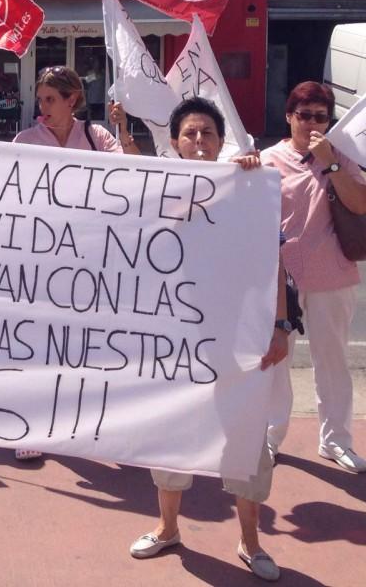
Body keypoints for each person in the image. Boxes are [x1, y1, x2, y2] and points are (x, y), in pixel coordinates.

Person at [119, 97, 289, 582]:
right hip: (177, 344)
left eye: (207, 133)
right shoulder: (159, 191)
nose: (198, 141)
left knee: (245, 441)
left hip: (241, 344)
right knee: (172, 436)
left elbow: (273, 264)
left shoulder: (249, 189)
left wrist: (280, 326)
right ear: (175, 142)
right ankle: (168, 528)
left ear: (220, 141)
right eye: (190, 134)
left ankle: (250, 541)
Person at [11, 66, 122, 461]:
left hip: (91, 257)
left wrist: (125, 130)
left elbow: (134, 177)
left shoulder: (98, 137)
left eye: (50, 99)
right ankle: (33, 428)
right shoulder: (25, 140)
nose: (42, 107)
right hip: (41, 257)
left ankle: (84, 422)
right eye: (40, 99)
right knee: (39, 343)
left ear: (71, 99)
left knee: (85, 346)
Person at [262, 81, 366, 474]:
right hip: (280, 279)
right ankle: (270, 436)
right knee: (276, 361)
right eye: (304, 115)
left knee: (332, 361)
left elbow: (359, 203)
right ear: (289, 116)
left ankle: (336, 440)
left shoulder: (340, 156)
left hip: (331, 274)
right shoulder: (269, 159)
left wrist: (331, 163)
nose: (311, 123)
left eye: (320, 117)